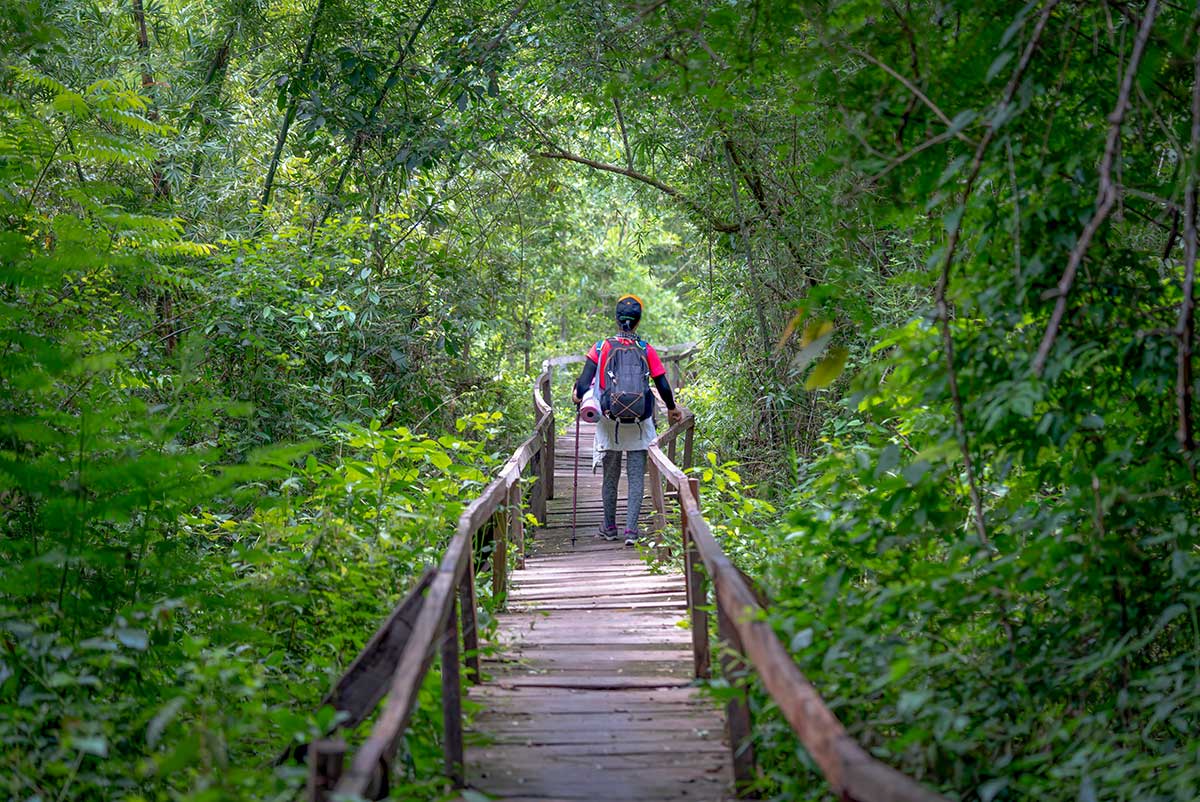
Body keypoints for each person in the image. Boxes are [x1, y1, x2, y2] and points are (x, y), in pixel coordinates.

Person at [572, 295, 684, 546]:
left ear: (616, 319)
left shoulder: (601, 347)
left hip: (609, 421)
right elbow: (662, 384)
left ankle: (610, 527)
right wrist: (672, 408)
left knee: (610, 476)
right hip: (639, 422)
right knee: (635, 478)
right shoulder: (646, 349)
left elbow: (583, 384)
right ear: (638, 321)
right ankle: (631, 531)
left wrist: (577, 395)